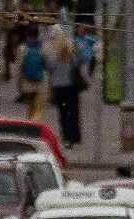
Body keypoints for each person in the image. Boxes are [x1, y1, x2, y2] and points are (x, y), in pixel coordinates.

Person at [47, 19, 87, 150]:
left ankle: (66, 137)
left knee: (63, 114)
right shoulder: (71, 58)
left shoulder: (55, 58)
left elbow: (50, 69)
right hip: (71, 88)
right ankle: (74, 136)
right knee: (73, 112)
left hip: (59, 89)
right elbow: (80, 63)